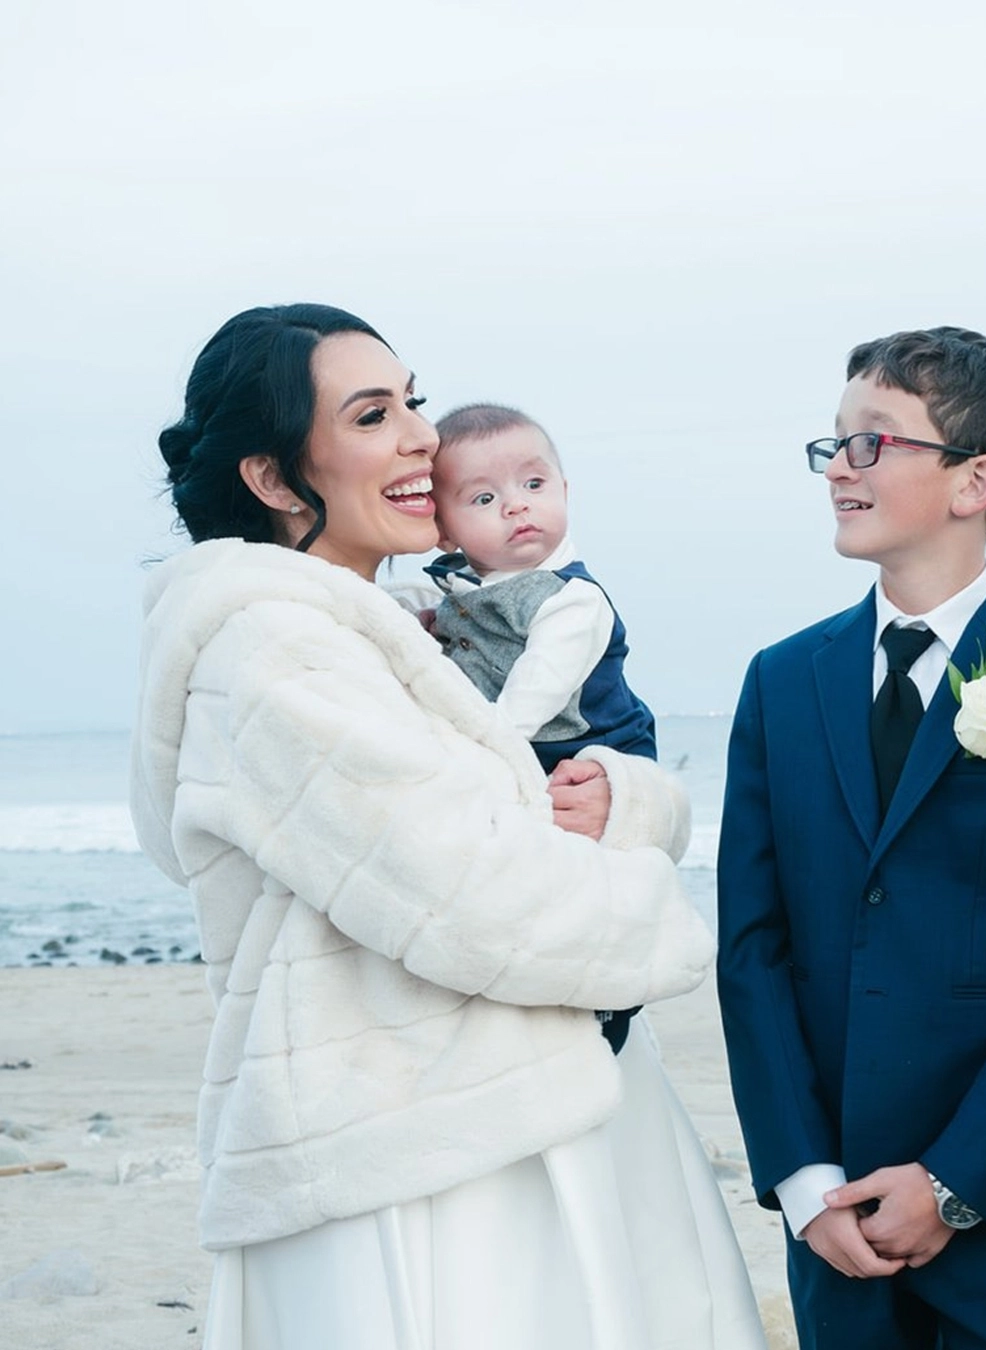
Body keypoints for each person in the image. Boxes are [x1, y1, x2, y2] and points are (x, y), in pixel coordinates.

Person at [131, 304, 765, 1350]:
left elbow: (526, 795)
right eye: (375, 415)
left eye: (413, 401)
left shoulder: (405, 632)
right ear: (277, 479)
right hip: (411, 1147)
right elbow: (476, 895)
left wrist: (630, 797)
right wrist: (654, 905)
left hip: (516, 1103)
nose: (425, 436)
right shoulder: (274, 653)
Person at [716, 326, 986, 1350]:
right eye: (833, 444)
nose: (840, 470)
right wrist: (803, 1179)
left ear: (975, 481)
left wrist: (957, 1183)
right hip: (835, 1214)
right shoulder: (782, 683)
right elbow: (752, 945)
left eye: (874, 441)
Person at [425, 402, 658, 1050]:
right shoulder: (461, 590)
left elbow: (528, 699)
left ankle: (612, 1011)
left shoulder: (570, 599)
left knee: (601, 891)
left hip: (589, 744)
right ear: (444, 529)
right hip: (531, 754)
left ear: (564, 491)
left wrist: (473, 762)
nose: (516, 506)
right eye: (483, 497)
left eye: (534, 485)